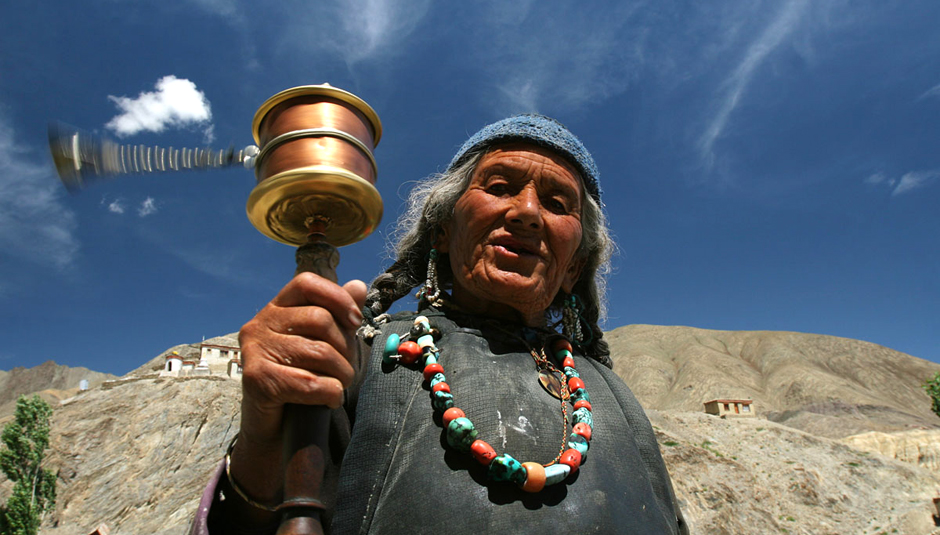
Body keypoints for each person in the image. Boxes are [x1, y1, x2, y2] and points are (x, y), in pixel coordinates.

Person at [191, 115, 688, 534]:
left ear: (575, 267)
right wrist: (262, 429)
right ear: (444, 231)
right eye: (498, 188)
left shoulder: (612, 397)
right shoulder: (363, 356)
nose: (528, 212)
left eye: (558, 204)